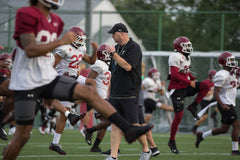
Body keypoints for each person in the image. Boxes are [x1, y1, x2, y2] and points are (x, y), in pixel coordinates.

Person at [3, 1, 153, 160]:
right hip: (27, 80)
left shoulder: (56, 21)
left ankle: (127, 130)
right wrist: (61, 41)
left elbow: (89, 60)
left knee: (90, 89)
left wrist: (48, 89)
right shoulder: (26, 14)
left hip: (47, 77)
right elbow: (31, 50)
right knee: (23, 136)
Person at [49, 25, 99, 155]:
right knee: (65, 113)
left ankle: (55, 142)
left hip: (74, 77)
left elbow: (91, 61)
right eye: (78, 37)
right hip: (63, 78)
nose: (81, 39)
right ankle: (55, 141)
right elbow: (51, 65)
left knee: (92, 83)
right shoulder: (64, 48)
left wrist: (95, 51)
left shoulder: (81, 48)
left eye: (82, 37)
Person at [105, 23, 152, 160]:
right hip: (115, 93)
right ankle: (113, 156)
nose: (112, 36)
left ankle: (146, 150)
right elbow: (112, 72)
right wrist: (109, 91)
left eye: (113, 34)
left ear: (121, 33)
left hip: (130, 93)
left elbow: (127, 66)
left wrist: (113, 54)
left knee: (134, 125)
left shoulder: (134, 48)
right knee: (115, 125)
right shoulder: (117, 48)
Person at [167, 36, 214, 154]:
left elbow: (185, 72)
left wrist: (192, 78)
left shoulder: (187, 57)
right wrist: (189, 82)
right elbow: (174, 75)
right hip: (177, 89)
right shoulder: (175, 56)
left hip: (185, 86)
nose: (188, 47)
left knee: (206, 85)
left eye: (188, 45)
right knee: (178, 117)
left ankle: (193, 106)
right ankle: (171, 141)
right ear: (179, 47)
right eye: (186, 45)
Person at [195, 51, 240, 155]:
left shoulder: (233, 73)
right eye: (230, 60)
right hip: (225, 103)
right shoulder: (222, 74)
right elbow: (216, 92)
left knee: (224, 129)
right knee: (237, 124)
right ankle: (234, 150)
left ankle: (201, 135)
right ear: (225, 62)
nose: (233, 62)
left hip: (229, 103)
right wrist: (222, 104)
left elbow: (234, 86)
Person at [83, 44, 112, 153]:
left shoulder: (107, 66)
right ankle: (89, 130)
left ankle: (95, 147)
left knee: (104, 123)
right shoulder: (99, 64)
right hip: (98, 98)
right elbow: (89, 80)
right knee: (110, 121)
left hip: (104, 97)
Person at [191, 69, 217, 134]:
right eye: (214, 76)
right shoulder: (206, 83)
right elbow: (205, 93)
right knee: (205, 117)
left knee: (221, 101)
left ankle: (214, 114)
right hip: (204, 100)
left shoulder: (215, 83)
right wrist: (213, 91)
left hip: (210, 100)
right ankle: (195, 127)